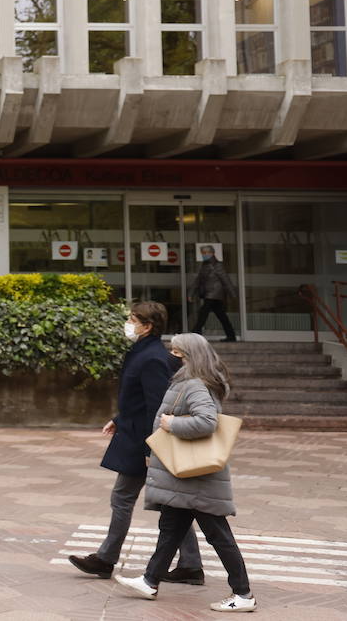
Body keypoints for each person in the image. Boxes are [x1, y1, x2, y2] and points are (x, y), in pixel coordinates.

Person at [115, 333, 257, 612]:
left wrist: (171, 425)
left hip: (197, 478)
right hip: (185, 478)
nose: (172, 356)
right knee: (170, 530)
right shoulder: (189, 382)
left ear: (190, 356)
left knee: (218, 535)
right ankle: (149, 580)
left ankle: (243, 595)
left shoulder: (195, 385)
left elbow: (207, 421)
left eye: (177, 352)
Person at [69, 302, 204, 585]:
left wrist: (149, 448)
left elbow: (157, 405)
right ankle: (190, 565)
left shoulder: (152, 357)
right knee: (170, 503)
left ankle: (106, 559)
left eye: (132, 319)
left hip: (143, 441)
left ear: (148, 326)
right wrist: (119, 417)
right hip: (135, 434)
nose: (128, 323)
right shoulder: (142, 352)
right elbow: (139, 398)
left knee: (124, 498)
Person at [191, 245, 239, 342]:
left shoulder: (217, 265)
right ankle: (231, 336)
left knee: (203, 313)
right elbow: (198, 280)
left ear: (212, 253)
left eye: (206, 253)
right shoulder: (204, 265)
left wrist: (233, 294)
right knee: (221, 316)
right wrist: (191, 293)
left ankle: (196, 332)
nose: (204, 255)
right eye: (203, 253)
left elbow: (226, 280)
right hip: (210, 294)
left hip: (214, 293)